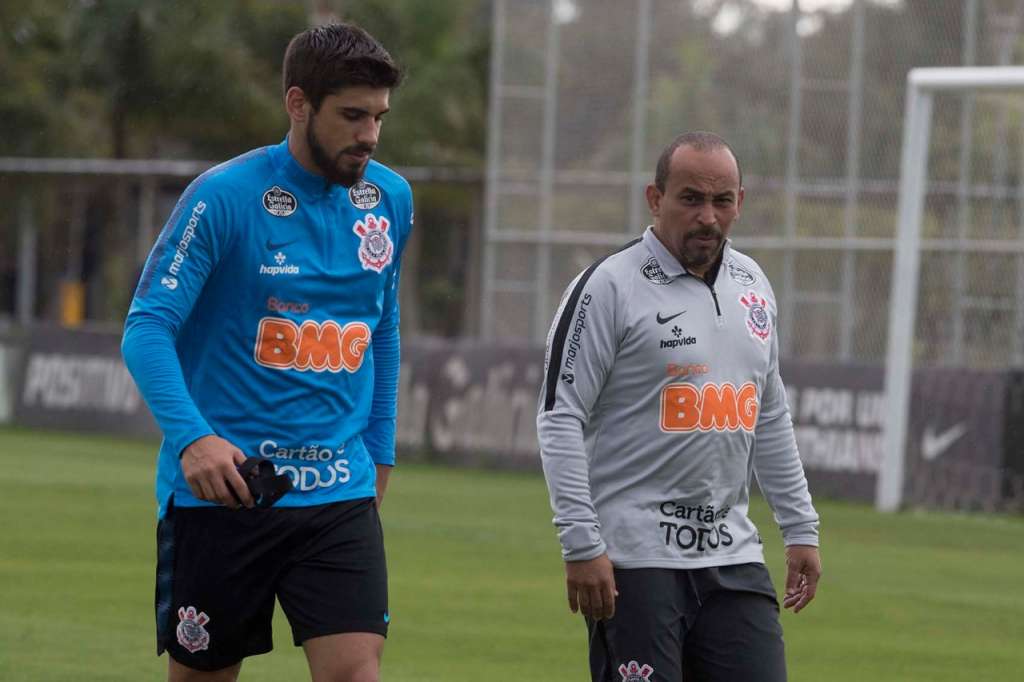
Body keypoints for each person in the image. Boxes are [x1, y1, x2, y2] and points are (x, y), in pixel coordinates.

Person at [122, 23, 412, 682]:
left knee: (354, 674)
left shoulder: (390, 199)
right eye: (352, 116)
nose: (369, 134)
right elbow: (146, 329)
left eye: (378, 118)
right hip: (227, 493)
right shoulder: (223, 197)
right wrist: (194, 440)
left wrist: (381, 446)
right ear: (298, 104)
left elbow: (383, 328)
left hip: (338, 490)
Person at [537, 131, 821, 682]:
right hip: (636, 562)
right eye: (691, 198)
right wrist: (581, 542)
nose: (708, 217)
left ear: (740, 201)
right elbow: (560, 415)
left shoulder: (753, 284)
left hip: (733, 555)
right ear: (655, 198)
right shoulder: (607, 287)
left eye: (722, 201)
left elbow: (768, 413)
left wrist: (801, 528)